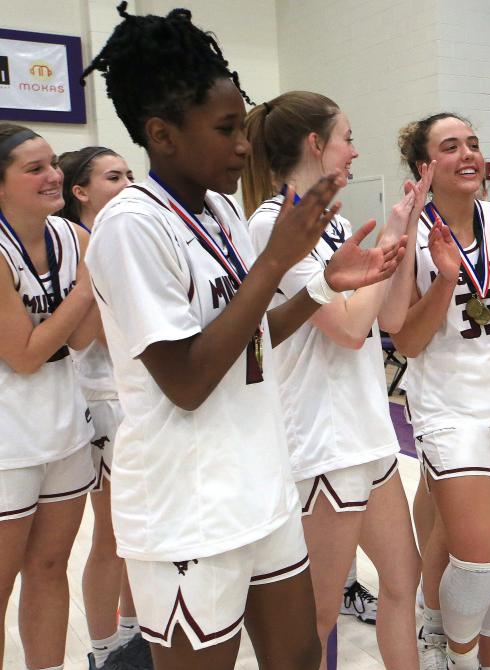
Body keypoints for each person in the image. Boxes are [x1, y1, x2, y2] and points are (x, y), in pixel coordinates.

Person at [81, 5, 403, 669]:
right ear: (162, 135)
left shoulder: (224, 210)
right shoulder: (130, 225)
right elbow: (189, 380)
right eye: (226, 129)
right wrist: (278, 263)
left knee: (300, 655)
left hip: (262, 482)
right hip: (187, 507)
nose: (242, 145)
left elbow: (250, 338)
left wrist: (320, 285)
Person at [243, 90, 429, 669]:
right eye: (346, 137)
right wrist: (378, 257)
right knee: (317, 616)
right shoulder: (273, 224)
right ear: (315, 144)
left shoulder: (336, 222)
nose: (355, 149)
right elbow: (346, 328)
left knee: (405, 583)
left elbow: (389, 320)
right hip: (322, 441)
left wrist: (403, 230)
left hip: (367, 430)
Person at [393, 113, 490, 670]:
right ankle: (454, 648)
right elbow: (406, 340)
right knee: (476, 556)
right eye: (451, 146)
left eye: (474, 144)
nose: (468, 155)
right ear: (423, 166)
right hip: (448, 408)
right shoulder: (408, 233)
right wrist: (449, 279)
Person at [0, 123, 98, 670]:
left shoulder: (73, 237)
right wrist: (86, 289)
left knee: (49, 567)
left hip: (65, 425)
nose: (53, 175)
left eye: (53, 163)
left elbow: (82, 339)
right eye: (34, 169)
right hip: (7, 440)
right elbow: (25, 355)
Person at [59, 146, 152, 669]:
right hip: (100, 400)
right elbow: (83, 338)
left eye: (129, 173)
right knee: (113, 534)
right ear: (81, 191)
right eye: (113, 176)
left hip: (139, 399)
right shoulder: (81, 246)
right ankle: (102, 649)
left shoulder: (131, 236)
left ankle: (135, 639)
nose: (128, 183)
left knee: (139, 533)